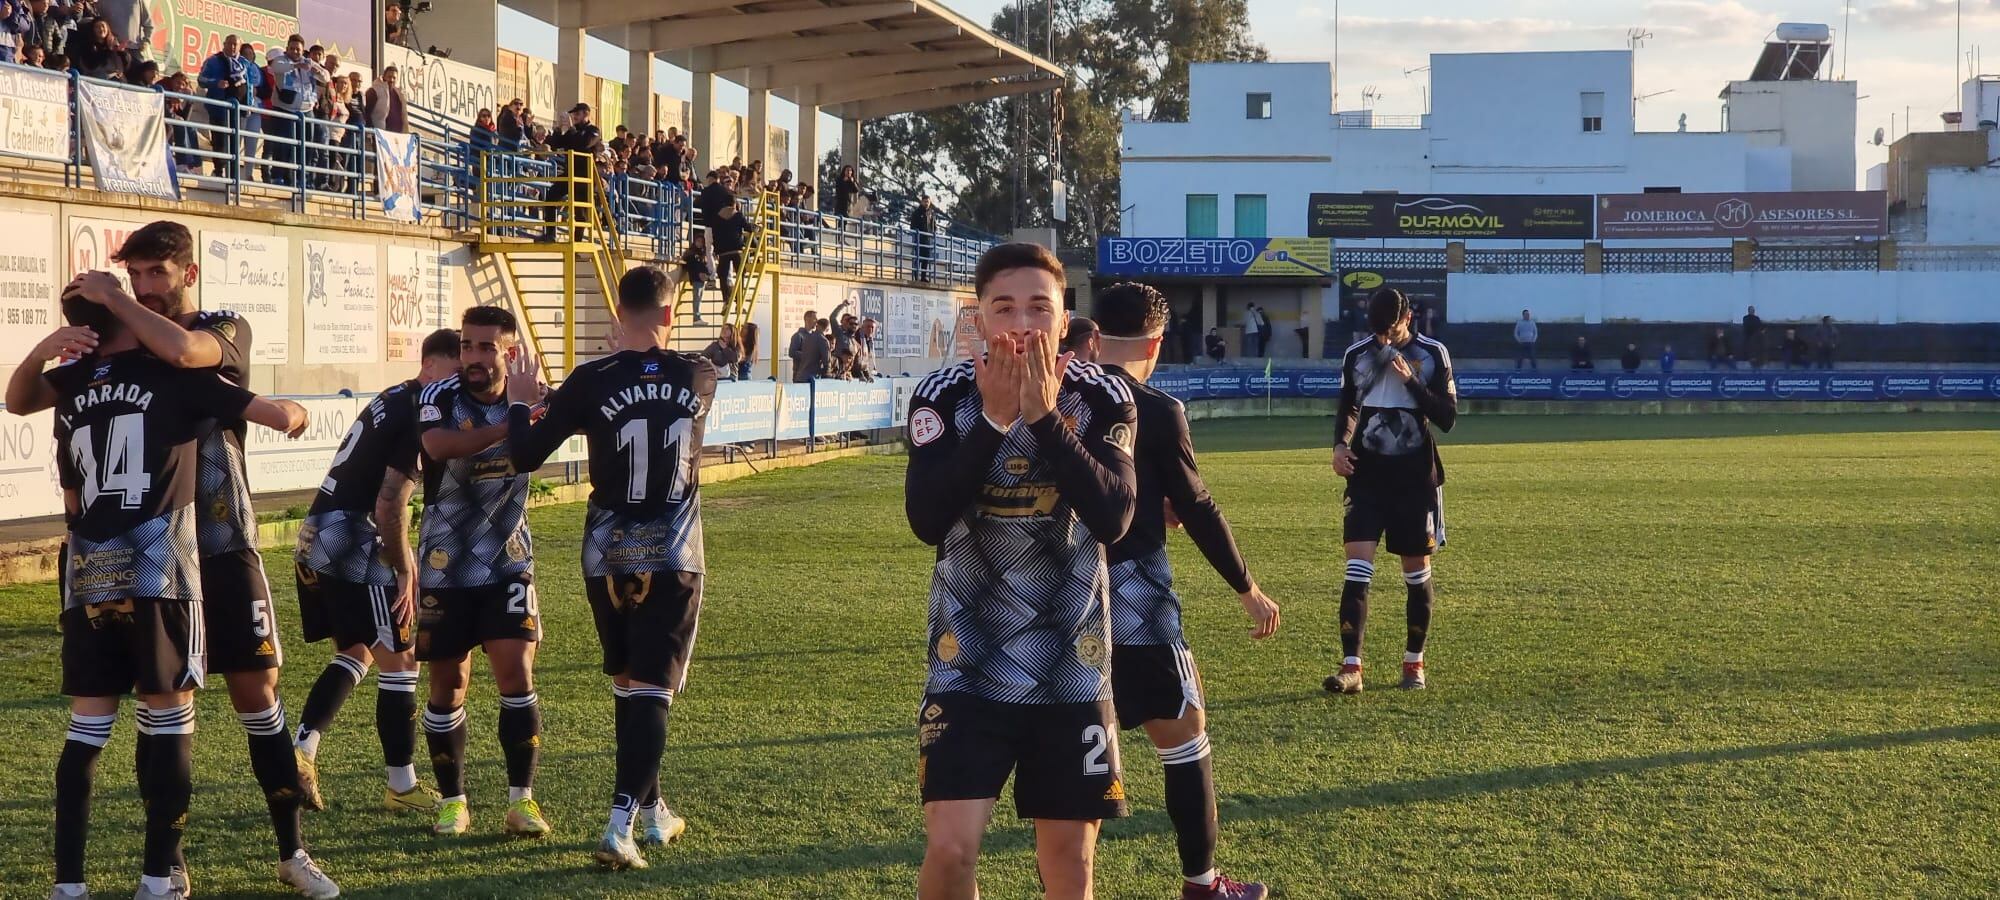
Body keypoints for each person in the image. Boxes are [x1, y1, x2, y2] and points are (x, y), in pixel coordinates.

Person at [59, 222, 341, 898]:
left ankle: (291, 853)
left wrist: (118, 305)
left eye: (159, 274)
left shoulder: (222, 327)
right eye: (137, 277)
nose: (147, 288)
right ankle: (168, 861)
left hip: (222, 544)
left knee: (257, 696)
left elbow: (187, 352)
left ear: (189, 273)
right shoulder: (124, 349)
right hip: (153, 553)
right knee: (159, 695)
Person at [8, 291, 313, 900]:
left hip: (91, 571)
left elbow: (35, 431)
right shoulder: (175, 376)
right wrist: (296, 410)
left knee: (87, 730)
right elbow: (283, 417)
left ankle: (68, 886)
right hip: (163, 571)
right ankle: (157, 879)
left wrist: (46, 351)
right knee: (170, 716)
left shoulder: (71, 387)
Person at [906, 242, 1138, 900]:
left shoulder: (1104, 398)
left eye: (1040, 307)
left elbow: (1114, 517)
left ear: (1065, 322)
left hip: (1072, 666)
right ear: (977, 321)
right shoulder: (942, 399)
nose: (1022, 323)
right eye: (1004, 307)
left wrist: (1041, 416)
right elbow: (926, 519)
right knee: (950, 851)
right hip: (967, 663)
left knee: (1070, 863)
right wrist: (994, 421)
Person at [500, 267, 717, 868]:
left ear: (618, 311)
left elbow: (524, 453)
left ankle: (652, 813)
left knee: (628, 680)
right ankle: (619, 824)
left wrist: (525, 404)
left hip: (605, 552)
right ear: (669, 314)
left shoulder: (589, 380)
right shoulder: (700, 373)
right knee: (651, 687)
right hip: (672, 551)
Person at [1074, 283, 1278, 899]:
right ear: (1156, 342)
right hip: (1134, 598)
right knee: (1185, 731)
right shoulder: (1156, 410)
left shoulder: (1056, 399)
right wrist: (1248, 587)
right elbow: (1199, 505)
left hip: (1054, 602)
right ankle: (1204, 884)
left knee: (1075, 753)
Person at [291, 329, 461, 820]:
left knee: (358, 650)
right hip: (355, 540)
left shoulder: (393, 397)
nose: (451, 390)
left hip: (317, 533)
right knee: (402, 659)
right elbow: (391, 504)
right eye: (449, 374)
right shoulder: (416, 411)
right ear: (429, 365)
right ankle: (401, 784)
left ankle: (303, 748)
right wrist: (405, 570)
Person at [414, 306, 550, 839]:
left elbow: (538, 450)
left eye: (486, 347)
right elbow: (438, 446)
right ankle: (454, 802)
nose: (472, 357)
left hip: (508, 561)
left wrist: (532, 410)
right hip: (444, 565)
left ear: (509, 352)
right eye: (468, 345)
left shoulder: (536, 397)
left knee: (516, 674)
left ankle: (523, 802)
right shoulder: (438, 397)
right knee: (450, 682)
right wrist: (512, 421)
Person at [1328, 287, 1457, 694]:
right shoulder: (1357, 355)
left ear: (1408, 319)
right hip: (1366, 476)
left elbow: (1448, 418)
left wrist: (1413, 382)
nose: (1384, 338)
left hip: (1414, 479)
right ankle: (1352, 668)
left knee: (1416, 575)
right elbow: (1348, 404)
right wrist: (1339, 446)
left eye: (1391, 329)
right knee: (1356, 569)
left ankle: (1414, 664)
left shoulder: (1433, 353)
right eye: (1378, 331)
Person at [267, 34, 328, 188]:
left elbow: (326, 78)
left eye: (298, 50)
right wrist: (295, 66)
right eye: (292, 48)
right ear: (287, 48)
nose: (295, 52)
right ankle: (278, 176)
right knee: (283, 144)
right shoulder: (281, 60)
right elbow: (275, 67)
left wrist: (315, 70)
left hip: (306, 110)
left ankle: (303, 178)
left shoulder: (308, 63)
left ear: (302, 51)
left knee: (306, 146)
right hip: (285, 108)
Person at [542, 103, 603, 242]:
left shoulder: (593, 130)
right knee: (551, 196)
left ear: (586, 114)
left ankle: (577, 241)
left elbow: (584, 143)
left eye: (577, 114)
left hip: (584, 175)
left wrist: (571, 128)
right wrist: (558, 129)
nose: (574, 117)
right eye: (573, 114)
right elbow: (555, 143)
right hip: (570, 172)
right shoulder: (572, 131)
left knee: (580, 211)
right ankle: (550, 233)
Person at [709, 200, 753, 319]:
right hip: (736, 249)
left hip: (723, 251)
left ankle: (726, 301)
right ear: (735, 205)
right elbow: (748, 227)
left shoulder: (717, 217)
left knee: (723, 277)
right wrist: (755, 228)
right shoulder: (738, 215)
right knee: (740, 275)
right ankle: (739, 303)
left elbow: (714, 234)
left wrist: (716, 250)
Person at [681, 231, 713, 323]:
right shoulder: (691, 253)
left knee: (699, 298)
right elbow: (692, 266)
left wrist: (706, 274)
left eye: (701, 242)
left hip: (702, 278)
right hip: (696, 278)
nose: (699, 243)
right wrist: (700, 273)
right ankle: (696, 317)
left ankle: (697, 316)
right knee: (697, 297)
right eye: (698, 241)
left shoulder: (702, 253)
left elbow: (704, 265)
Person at [364, 66, 408, 134]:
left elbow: (404, 115)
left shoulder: (399, 93)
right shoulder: (374, 90)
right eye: (389, 77)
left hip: (397, 135)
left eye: (394, 78)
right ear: (384, 77)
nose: (391, 80)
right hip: (380, 133)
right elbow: (367, 112)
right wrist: (370, 130)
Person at [787, 309, 824, 383]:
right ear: (807, 319)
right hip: (801, 377)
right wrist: (807, 355)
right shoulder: (798, 336)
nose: (817, 321)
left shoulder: (816, 336)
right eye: (814, 318)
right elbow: (791, 353)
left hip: (814, 376)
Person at [910, 195, 938, 282]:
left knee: (926, 259)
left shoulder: (931, 213)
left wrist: (934, 232)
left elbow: (934, 226)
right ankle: (915, 276)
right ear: (922, 202)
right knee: (918, 258)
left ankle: (923, 277)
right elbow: (912, 226)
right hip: (919, 239)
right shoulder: (916, 213)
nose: (926, 203)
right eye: (925, 201)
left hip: (928, 240)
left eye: (928, 202)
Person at [852, 317, 879, 382]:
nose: (870, 329)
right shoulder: (857, 337)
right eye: (868, 326)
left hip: (861, 372)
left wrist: (867, 375)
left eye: (872, 327)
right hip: (854, 373)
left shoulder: (869, 340)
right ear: (862, 327)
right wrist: (861, 375)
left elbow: (865, 362)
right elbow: (856, 361)